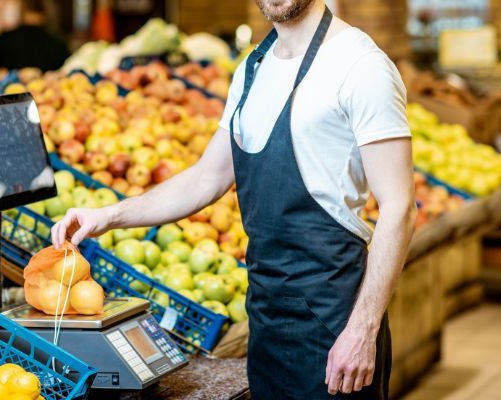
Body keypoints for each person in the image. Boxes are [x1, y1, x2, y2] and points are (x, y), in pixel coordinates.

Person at [52, 0, 415, 397]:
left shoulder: (360, 66)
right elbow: (208, 178)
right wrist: (107, 216)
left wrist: (363, 329)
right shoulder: (252, 70)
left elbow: (399, 207)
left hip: (334, 321)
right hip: (267, 320)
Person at [0, 0, 70, 72]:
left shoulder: (4, 39)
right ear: (45, 12)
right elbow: (67, 72)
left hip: (10, 90)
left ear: (21, 10)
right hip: (49, 90)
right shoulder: (58, 42)